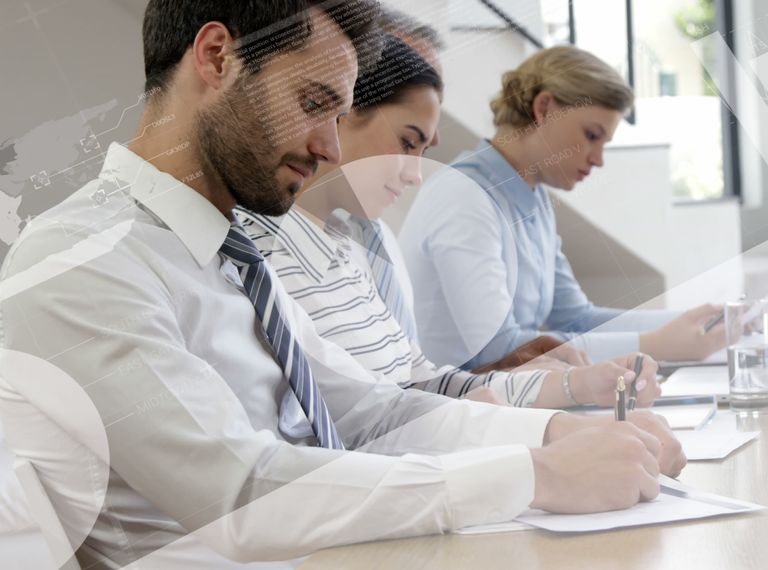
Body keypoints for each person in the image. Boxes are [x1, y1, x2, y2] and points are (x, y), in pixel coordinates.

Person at [0, 3, 684, 568]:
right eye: (313, 104)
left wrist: (555, 435)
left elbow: (373, 413)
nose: (332, 147)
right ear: (214, 57)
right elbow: (240, 493)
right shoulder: (80, 260)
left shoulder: (229, 252)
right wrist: (538, 476)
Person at [240, 33, 659, 409]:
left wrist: (573, 388)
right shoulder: (269, 253)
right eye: (408, 143)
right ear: (343, 114)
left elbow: (415, 382)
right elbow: (372, 417)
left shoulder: (348, 244)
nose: (415, 174)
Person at [398, 46, 729, 370]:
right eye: (591, 135)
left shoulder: (533, 196)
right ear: (544, 108)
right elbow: (497, 350)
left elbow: (576, 317)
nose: (598, 159)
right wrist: (654, 343)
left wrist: (697, 322)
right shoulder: (465, 196)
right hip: (457, 409)